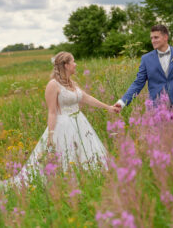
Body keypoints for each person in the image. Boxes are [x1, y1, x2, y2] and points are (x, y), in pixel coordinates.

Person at [9, 51, 118, 185]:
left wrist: (108, 107)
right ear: (66, 65)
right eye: (73, 61)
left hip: (80, 123)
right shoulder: (53, 85)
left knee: (86, 152)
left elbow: (86, 98)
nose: (75, 64)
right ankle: (65, 182)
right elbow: (52, 112)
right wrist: (50, 136)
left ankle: (88, 180)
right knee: (66, 156)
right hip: (63, 126)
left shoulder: (72, 83)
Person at [114, 25, 173, 111]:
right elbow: (138, 83)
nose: (153, 41)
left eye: (156, 37)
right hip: (157, 109)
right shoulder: (146, 59)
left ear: (165, 37)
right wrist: (122, 102)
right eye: (151, 38)